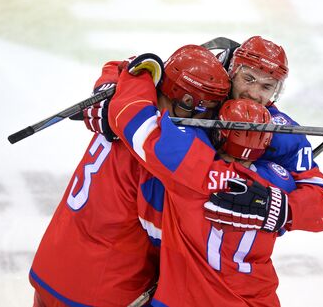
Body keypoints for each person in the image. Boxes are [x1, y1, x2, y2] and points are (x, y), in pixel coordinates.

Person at [29, 45, 233, 307]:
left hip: (51, 266)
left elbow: (130, 67)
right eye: (206, 112)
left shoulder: (124, 108)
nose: (206, 124)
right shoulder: (157, 157)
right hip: (101, 292)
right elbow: (169, 239)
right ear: (187, 103)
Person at [83, 36, 323, 233]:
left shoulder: (280, 130)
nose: (253, 93)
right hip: (138, 215)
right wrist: (109, 91)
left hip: (199, 231)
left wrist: (281, 209)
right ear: (232, 70)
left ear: (276, 91)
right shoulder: (208, 82)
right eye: (248, 79)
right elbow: (140, 67)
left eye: (266, 87)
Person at [107, 67, 297, 305]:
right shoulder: (280, 185)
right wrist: (287, 210)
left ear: (217, 135)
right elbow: (318, 206)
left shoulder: (188, 169)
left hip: (181, 298)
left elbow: (132, 118)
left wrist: (138, 71)